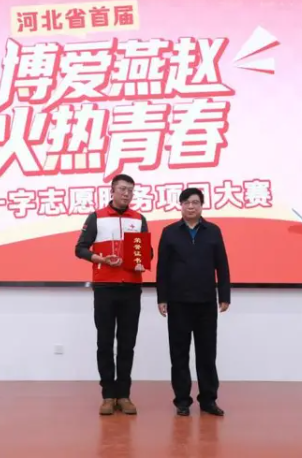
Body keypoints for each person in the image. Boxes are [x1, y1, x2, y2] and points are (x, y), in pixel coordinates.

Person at [75, 174, 152, 416]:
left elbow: (147, 252)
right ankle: (108, 395)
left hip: (131, 288)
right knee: (105, 343)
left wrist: (142, 258)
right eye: (122, 189)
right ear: (112, 190)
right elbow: (80, 249)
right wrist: (100, 259)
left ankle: (124, 395)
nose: (126, 193)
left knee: (127, 344)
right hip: (105, 288)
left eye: (130, 190)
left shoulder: (139, 219)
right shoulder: (96, 217)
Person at [156, 187, 230, 416]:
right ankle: (182, 401)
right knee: (179, 354)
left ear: (201, 205)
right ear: (180, 205)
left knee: (207, 354)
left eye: (195, 202)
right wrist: (162, 298)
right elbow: (162, 268)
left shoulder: (213, 231)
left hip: (206, 302)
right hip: (178, 302)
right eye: (187, 202)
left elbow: (222, 265)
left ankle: (208, 400)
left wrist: (224, 295)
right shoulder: (169, 232)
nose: (191, 206)